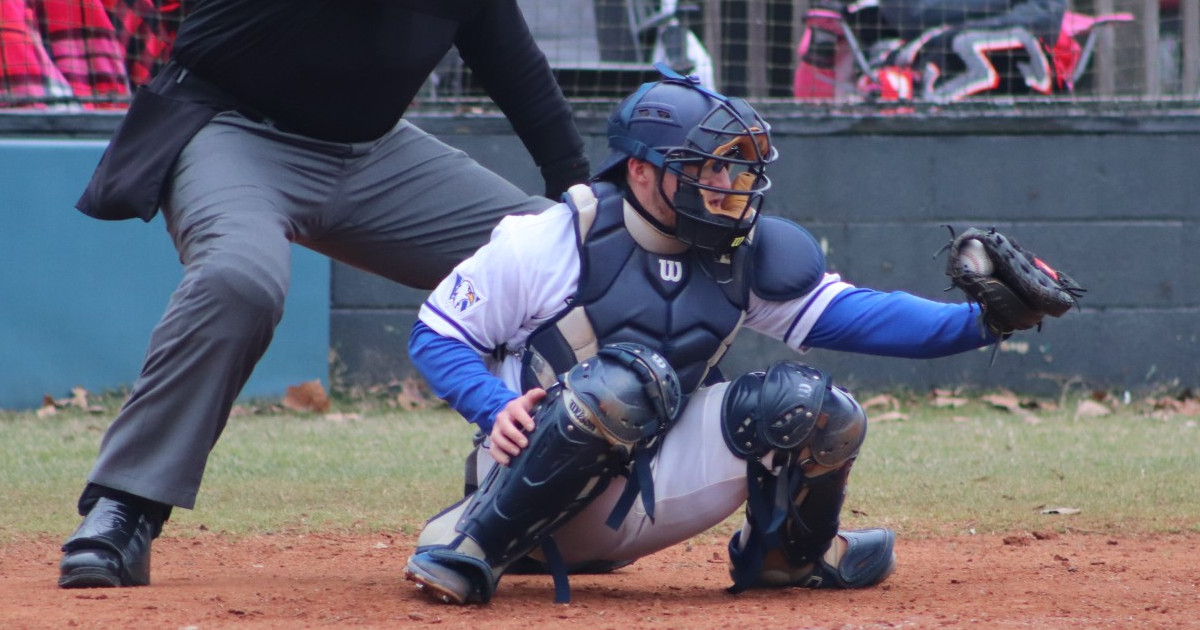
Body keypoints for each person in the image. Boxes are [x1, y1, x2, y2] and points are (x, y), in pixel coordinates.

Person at [400, 65, 1078, 605]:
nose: (725, 183)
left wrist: (985, 319)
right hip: (525, 489)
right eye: (705, 166)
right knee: (624, 382)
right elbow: (437, 333)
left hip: (650, 498)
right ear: (640, 170)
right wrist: (493, 410)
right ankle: (472, 550)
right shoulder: (553, 238)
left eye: (729, 165)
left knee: (817, 409)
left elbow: (862, 317)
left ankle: (789, 558)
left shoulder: (741, 252)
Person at [58, 0, 591, 589]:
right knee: (240, 278)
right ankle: (124, 504)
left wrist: (581, 199)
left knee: (571, 256)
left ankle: (533, 505)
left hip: (374, 153)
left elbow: (515, 66)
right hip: (230, 127)